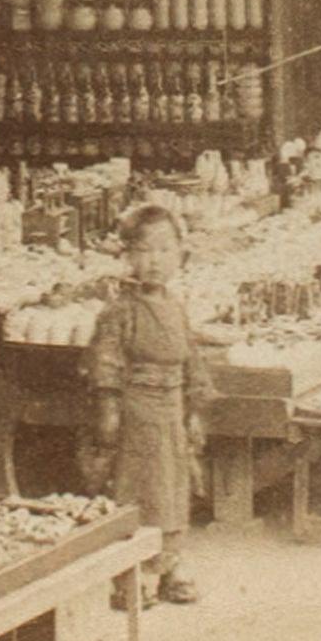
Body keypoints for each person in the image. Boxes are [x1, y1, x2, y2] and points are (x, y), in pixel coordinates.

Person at [84, 203, 212, 605]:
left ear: (179, 255)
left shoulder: (176, 307)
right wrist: (109, 410)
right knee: (136, 488)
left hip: (172, 409)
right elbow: (106, 361)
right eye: (144, 251)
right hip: (136, 410)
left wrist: (194, 409)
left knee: (175, 488)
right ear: (128, 256)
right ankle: (130, 575)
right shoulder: (119, 310)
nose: (154, 261)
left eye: (164, 250)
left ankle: (171, 564)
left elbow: (191, 357)